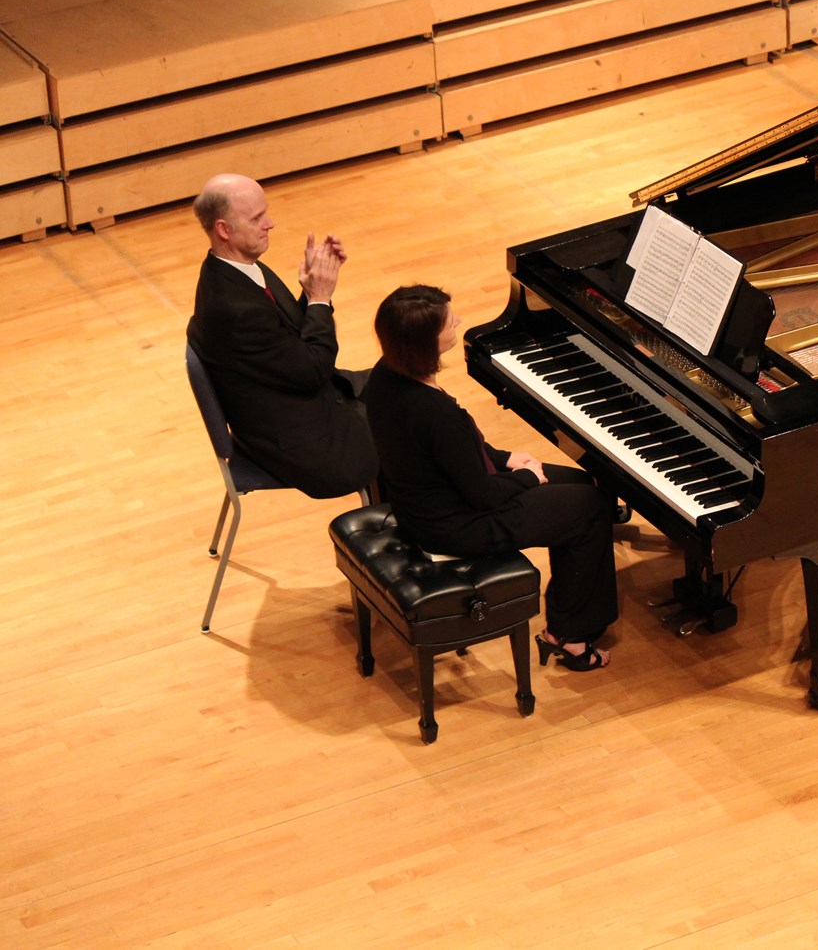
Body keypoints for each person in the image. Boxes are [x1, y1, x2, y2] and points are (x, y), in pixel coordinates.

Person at [362, 284, 619, 670]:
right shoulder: (435, 413)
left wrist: (506, 458)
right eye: (448, 323)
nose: (458, 322)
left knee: (580, 483)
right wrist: (527, 478)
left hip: (430, 500)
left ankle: (574, 612)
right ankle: (569, 637)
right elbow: (481, 493)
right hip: (457, 523)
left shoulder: (384, 375)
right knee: (590, 507)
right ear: (425, 343)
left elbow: (449, 455)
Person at [187, 173, 378, 499]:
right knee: (413, 419)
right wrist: (320, 299)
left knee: (405, 383)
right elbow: (312, 371)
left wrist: (311, 289)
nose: (270, 224)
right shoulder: (235, 309)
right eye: (257, 218)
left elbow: (282, 341)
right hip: (303, 441)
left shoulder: (236, 269)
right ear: (223, 229)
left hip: (295, 401)